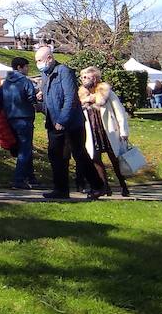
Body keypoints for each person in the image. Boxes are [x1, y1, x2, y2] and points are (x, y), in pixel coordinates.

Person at [35, 45, 104, 200]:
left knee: (79, 154)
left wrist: (63, 120)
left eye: (40, 60)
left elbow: (70, 98)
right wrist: (40, 107)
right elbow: (50, 99)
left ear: (50, 58)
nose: (38, 63)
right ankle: (60, 189)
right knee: (56, 155)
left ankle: (97, 186)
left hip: (71, 123)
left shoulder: (64, 72)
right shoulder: (46, 75)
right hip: (53, 122)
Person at [78, 67, 131, 197]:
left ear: (95, 78)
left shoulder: (107, 93)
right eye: (82, 77)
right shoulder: (82, 96)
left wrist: (124, 131)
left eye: (87, 77)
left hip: (109, 130)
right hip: (92, 130)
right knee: (95, 159)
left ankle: (123, 185)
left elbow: (119, 112)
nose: (84, 79)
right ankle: (104, 187)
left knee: (115, 159)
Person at [0, 56, 41, 190]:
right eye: (26, 66)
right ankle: (18, 179)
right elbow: (31, 98)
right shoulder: (24, 81)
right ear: (20, 67)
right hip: (24, 117)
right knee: (25, 149)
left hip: (11, 117)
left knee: (23, 148)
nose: (28, 69)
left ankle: (30, 176)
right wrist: (36, 101)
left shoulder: (6, 82)